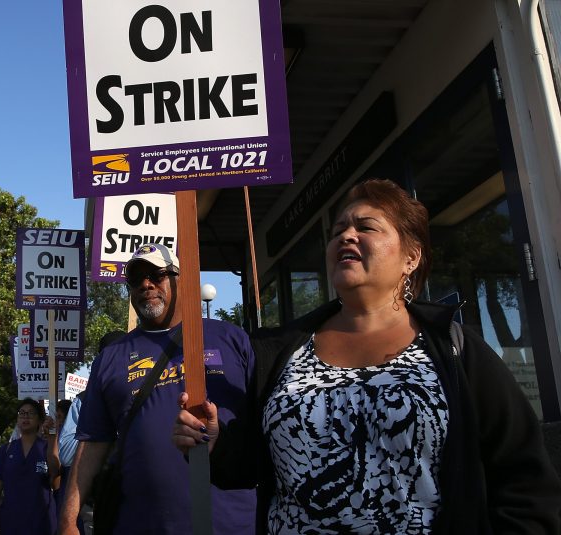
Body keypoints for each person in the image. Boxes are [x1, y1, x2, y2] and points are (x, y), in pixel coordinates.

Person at [174, 178, 561, 534]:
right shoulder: (281, 352)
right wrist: (216, 444)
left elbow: (525, 482)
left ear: (411, 256)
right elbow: (259, 465)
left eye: (366, 227)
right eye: (339, 229)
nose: (346, 236)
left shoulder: (453, 348)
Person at [59, 244, 257, 535]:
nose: (146, 284)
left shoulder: (230, 339)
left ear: (181, 279)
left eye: (156, 274)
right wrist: (67, 521)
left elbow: (264, 422)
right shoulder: (111, 358)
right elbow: (91, 444)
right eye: (136, 279)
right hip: (141, 523)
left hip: (232, 524)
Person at [57, 331, 127, 534]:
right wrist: (101, 436)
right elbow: (67, 454)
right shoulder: (83, 401)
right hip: (100, 499)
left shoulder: (151, 392)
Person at [0, 398, 59, 535]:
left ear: (39, 421)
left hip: (42, 521)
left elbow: (55, 477)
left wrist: (52, 439)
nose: (25, 417)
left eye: (31, 413)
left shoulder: (46, 448)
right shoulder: (6, 450)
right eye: (22, 413)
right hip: (12, 520)